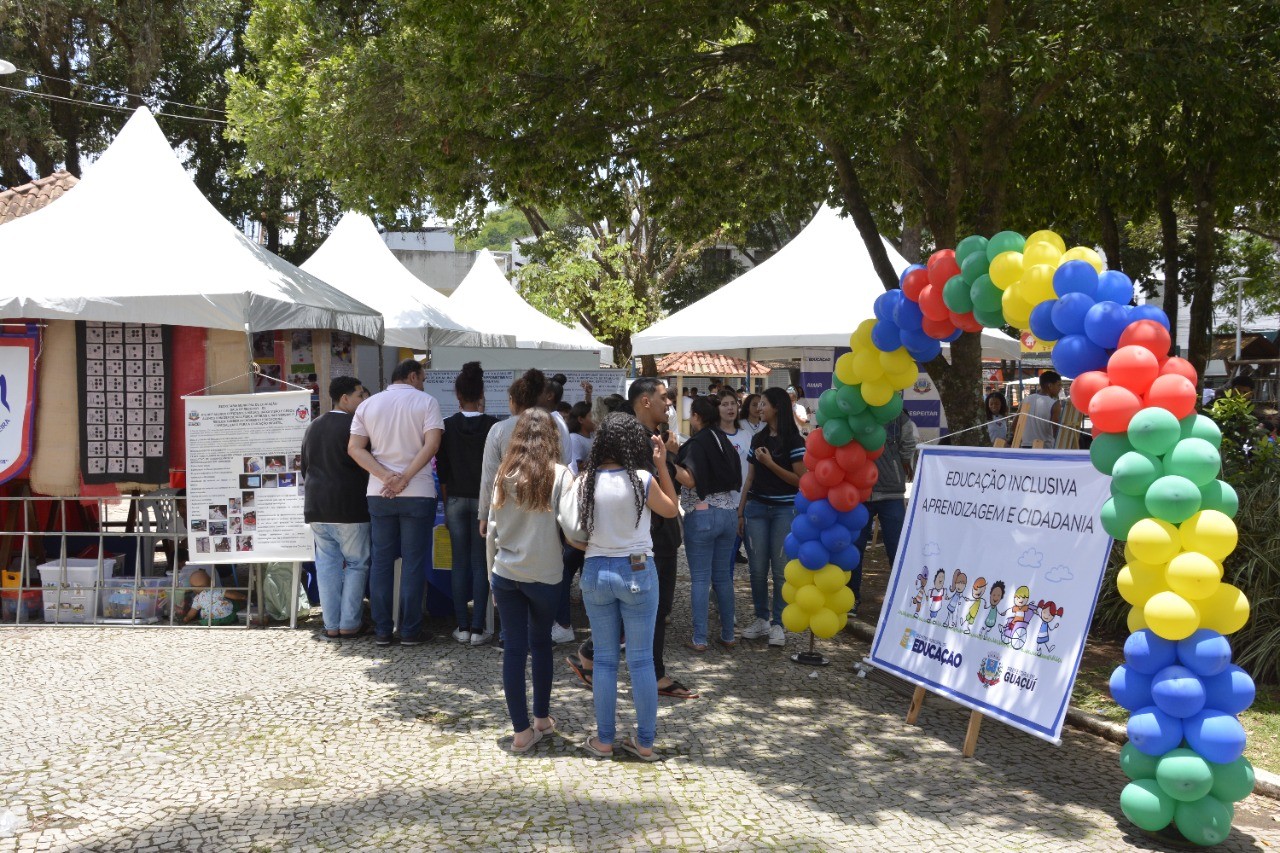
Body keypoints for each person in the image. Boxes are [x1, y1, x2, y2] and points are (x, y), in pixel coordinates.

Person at [566, 378, 695, 699]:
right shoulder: (633, 442)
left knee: (651, 612)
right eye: (665, 397)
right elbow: (654, 499)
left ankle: (622, 665)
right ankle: (642, 673)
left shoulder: (651, 439)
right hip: (641, 546)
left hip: (652, 542)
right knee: (646, 613)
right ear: (645, 401)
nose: (670, 403)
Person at [573, 413, 679, 760]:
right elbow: (671, 508)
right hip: (636, 570)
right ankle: (644, 743)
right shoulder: (642, 479)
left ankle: (604, 741)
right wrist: (663, 464)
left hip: (595, 571)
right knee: (641, 661)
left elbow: (573, 531)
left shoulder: (585, 481)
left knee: (603, 661)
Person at [487, 409, 576, 753]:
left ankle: (521, 731)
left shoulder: (503, 474)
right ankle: (541, 718)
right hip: (546, 573)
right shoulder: (561, 475)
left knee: (513, 648)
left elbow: (491, 531)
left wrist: (492, 577)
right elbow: (572, 528)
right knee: (540, 644)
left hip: (506, 572)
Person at [349, 358, 445, 646]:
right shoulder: (427, 402)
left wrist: (385, 476)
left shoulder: (368, 404)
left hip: (379, 493)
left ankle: (381, 630)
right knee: (414, 563)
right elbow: (432, 445)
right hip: (419, 491)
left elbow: (354, 448)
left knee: (381, 562)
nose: (424, 382)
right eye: (423, 377)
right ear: (413, 376)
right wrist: (404, 477)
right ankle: (410, 630)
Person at [301, 376, 371, 640]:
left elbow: (305, 468)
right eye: (359, 395)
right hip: (350, 505)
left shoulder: (313, 426)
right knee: (356, 563)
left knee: (327, 565)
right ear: (345, 398)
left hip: (317, 506)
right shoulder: (356, 426)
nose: (363, 400)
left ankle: (331, 624)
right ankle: (350, 623)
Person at [739, 387, 807, 647]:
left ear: (777, 407)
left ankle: (778, 623)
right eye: (758, 405)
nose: (759, 408)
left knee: (780, 571)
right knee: (756, 570)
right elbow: (750, 478)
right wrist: (740, 511)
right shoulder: (758, 439)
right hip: (756, 509)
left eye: (764, 404)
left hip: (784, 511)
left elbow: (801, 481)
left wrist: (771, 464)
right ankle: (761, 619)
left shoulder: (794, 440)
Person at [437, 362, 499, 646]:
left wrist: (448, 503)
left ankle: (461, 625)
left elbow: (443, 470)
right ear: (482, 393)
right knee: (479, 563)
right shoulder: (493, 426)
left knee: (458, 563)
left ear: (457, 395)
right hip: (483, 501)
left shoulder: (446, 426)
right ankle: (478, 627)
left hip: (455, 499)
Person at [674, 396, 741, 651]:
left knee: (700, 579)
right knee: (723, 578)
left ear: (697, 417)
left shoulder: (696, 443)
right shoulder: (724, 439)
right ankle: (728, 635)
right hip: (728, 513)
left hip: (702, 513)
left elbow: (689, 481)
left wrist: (667, 460)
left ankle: (700, 638)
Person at [849, 410, 918, 616]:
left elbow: (909, 440)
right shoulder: (854, 410)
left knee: (897, 549)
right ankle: (851, 598)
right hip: (859, 493)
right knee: (854, 549)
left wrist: (901, 461)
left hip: (891, 492)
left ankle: (904, 602)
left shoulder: (896, 413)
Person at [552, 401, 596, 644]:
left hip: (578, 530)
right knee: (578, 571)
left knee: (567, 572)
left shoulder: (572, 475)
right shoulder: (578, 441)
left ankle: (564, 623)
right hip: (585, 528)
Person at [718, 388, 752, 567]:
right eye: (724, 404)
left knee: (756, 560)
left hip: (747, 503)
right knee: (725, 561)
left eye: (733, 404)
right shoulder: (713, 437)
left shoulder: (747, 436)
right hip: (723, 507)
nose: (730, 408)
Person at [540, 377, 576, 471]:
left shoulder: (549, 420)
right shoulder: (555, 418)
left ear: (549, 396)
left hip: (551, 475)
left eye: (538, 392)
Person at [1020, 370, 1063, 448]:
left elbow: (1015, 425)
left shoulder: (1026, 400)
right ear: (1050, 386)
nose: (1060, 388)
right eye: (1058, 385)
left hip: (1025, 446)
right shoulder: (1054, 404)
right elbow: (1056, 431)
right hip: (1044, 447)